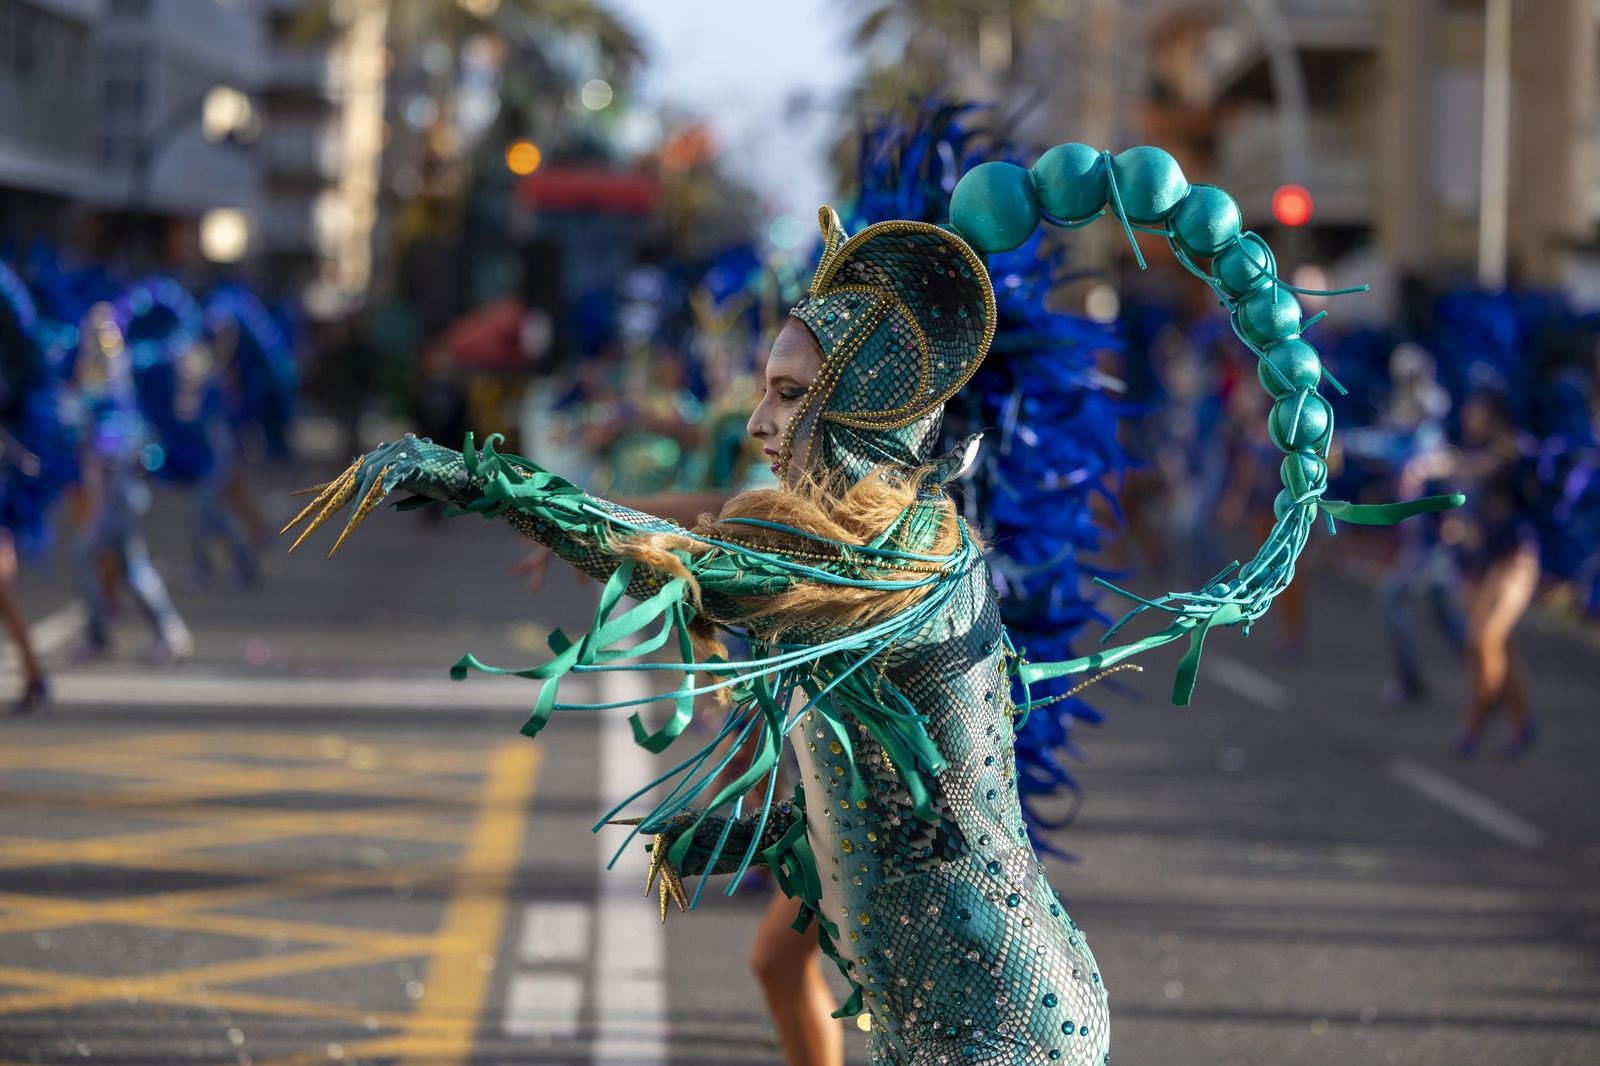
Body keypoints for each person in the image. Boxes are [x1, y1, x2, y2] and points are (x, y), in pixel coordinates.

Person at [288, 147, 1459, 1063]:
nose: (758, 424)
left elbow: (673, 562)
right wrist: (743, 829)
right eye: (764, 392)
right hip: (968, 1011)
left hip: (992, 1028)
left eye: (787, 394)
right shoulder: (900, 552)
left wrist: (469, 474)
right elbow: (900, 797)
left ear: (858, 413)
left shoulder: (881, 572)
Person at [1447, 391, 1539, 758]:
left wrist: (1435, 466)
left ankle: (1477, 718)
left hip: (1514, 558)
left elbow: (1482, 467)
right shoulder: (1468, 449)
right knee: (1496, 645)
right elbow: (1464, 500)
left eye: (1477, 410)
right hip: (1477, 562)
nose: (1470, 415)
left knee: (1483, 640)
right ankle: (1521, 723)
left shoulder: (1511, 450)